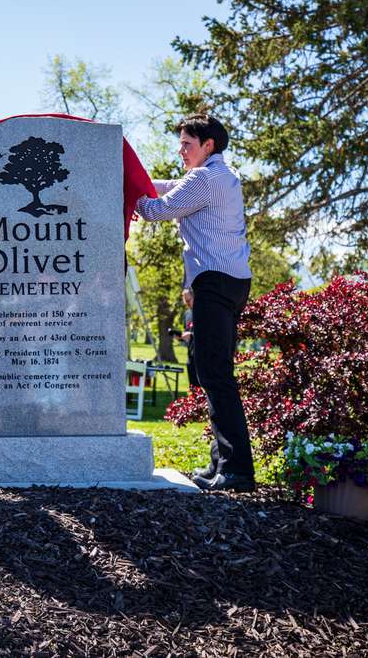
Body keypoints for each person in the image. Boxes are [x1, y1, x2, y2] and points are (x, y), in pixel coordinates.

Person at [134, 114, 253, 492]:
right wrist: (132, 182)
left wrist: (128, 196)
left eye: (187, 143)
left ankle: (237, 471)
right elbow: (165, 187)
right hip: (231, 282)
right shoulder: (221, 175)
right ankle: (222, 461)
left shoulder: (205, 179)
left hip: (215, 284)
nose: (180, 150)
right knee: (210, 371)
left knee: (215, 374)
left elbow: (156, 209)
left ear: (208, 145)